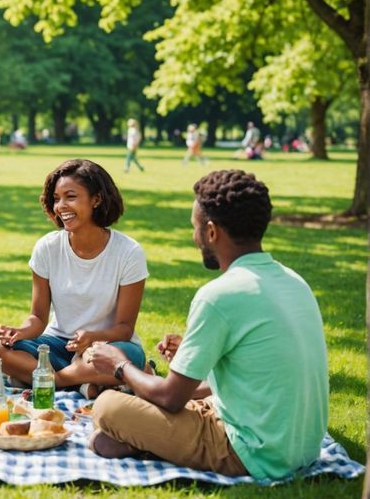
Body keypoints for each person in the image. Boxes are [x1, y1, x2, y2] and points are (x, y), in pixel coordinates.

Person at [87, 170, 328, 480]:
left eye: (195, 228)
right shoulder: (294, 281)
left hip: (252, 453)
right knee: (130, 410)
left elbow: (171, 398)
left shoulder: (218, 296)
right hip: (300, 448)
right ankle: (147, 441)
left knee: (108, 407)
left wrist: (118, 365)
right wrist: (192, 358)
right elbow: (250, 373)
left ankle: (148, 443)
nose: (194, 237)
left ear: (211, 232)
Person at [0, 159, 148, 396]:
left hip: (105, 346)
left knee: (132, 356)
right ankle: (86, 382)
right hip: (58, 345)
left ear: (96, 199)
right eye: (56, 199)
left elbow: (125, 328)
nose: (61, 206)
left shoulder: (128, 252)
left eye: (70, 197)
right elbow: (37, 317)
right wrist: (20, 332)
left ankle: (52, 380)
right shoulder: (47, 247)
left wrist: (93, 337)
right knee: (1, 350)